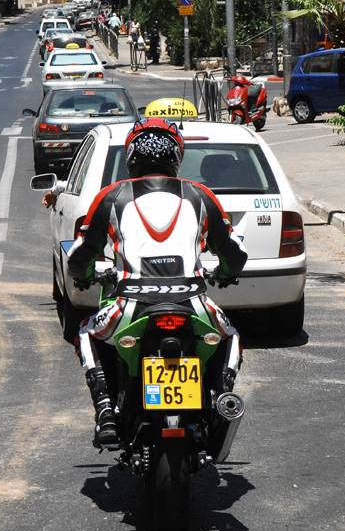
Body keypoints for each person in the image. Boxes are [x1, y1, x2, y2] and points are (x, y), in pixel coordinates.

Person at [65, 118, 248, 448]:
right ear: (177, 156)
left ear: (131, 156)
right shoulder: (200, 195)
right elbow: (234, 254)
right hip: (194, 304)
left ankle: (106, 409)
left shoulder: (111, 197)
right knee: (230, 335)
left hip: (129, 308)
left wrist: (86, 276)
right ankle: (222, 395)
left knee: (85, 332)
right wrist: (223, 273)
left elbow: (80, 256)